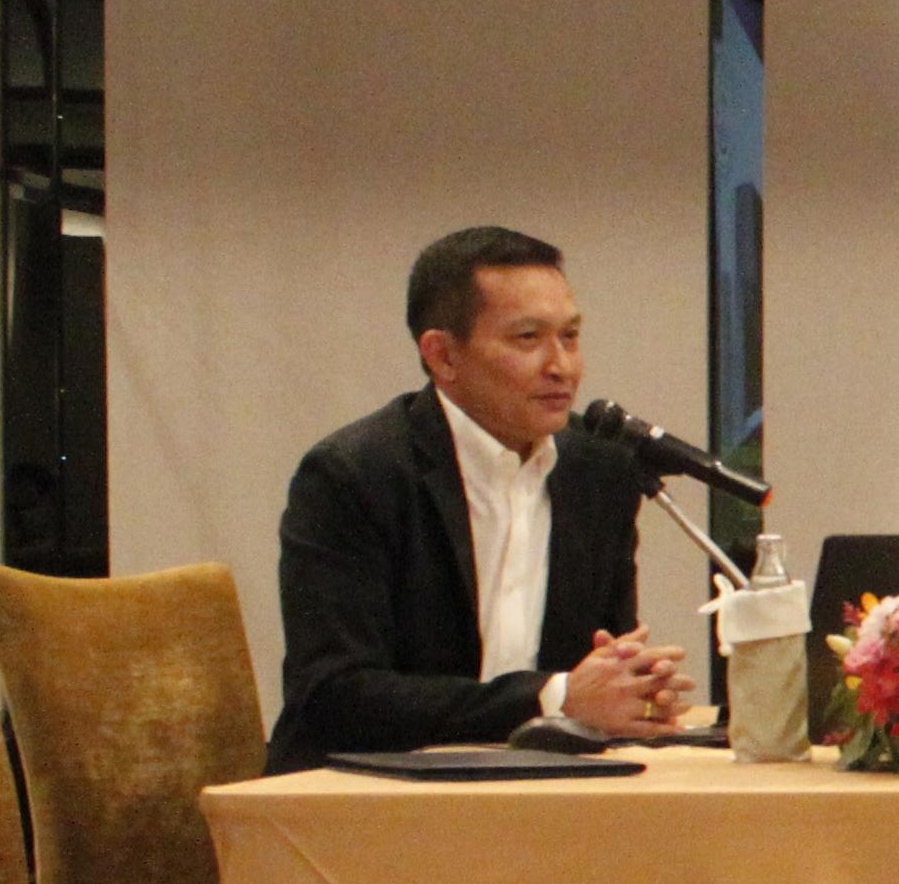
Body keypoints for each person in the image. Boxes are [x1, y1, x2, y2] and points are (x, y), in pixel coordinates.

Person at [268, 225, 697, 774]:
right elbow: (334, 695)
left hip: (545, 785)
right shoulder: (354, 474)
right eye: (528, 338)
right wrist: (553, 698)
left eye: (570, 337)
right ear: (443, 355)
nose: (561, 366)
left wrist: (629, 687)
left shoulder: (598, 472)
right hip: (366, 789)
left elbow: (599, 658)